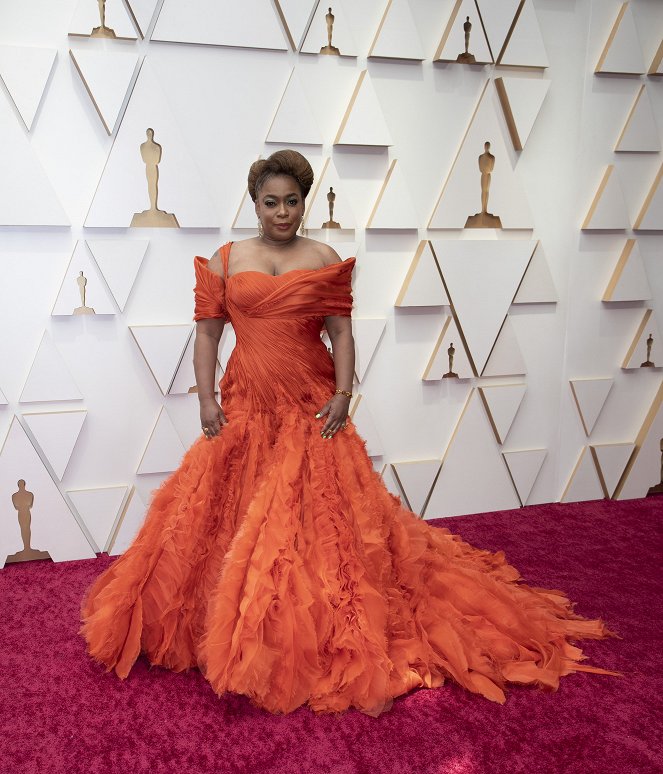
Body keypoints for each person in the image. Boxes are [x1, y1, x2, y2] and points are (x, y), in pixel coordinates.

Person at [80, 150, 617, 717]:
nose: (282, 212)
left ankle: (306, 628)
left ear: (303, 203)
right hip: (246, 401)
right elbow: (209, 336)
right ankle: (225, 624)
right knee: (223, 514)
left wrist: (343, 394)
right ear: (254, 203)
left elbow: (341, 334)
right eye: (271, 202)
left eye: (292, 202)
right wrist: (208, 398)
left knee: (317, 521)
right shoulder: (226, 259)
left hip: (312, 403)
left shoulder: (324, 256)